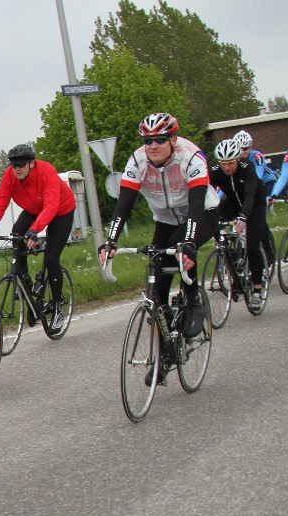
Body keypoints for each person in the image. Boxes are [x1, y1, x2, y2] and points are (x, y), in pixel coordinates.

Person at [100, 113, 216, 377]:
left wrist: (189, 243)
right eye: (147, 140)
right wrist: (111, 240)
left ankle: (193, 297)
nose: (152, 146)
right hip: (165, 219)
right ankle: (165, 354)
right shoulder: (137, 161)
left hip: (202, 213)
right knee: (157, 287)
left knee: (179, 245)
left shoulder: (191, 157)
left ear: (173, 139)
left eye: (160, 140)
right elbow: (124, 204)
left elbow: (196, 204)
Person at [0, 143, 77, 331]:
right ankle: (26, 283)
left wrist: (35, 229)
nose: (17, 169)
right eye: (14, 165)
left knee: (51, 257)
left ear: (31, 163)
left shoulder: (46, 172)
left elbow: (51, 205)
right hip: (33, 208)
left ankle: (57, 306)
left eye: (21, 164)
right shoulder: (10, 176)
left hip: (60, 210)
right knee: (16, 235)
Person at [210, 138, 268, 310]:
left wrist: (243, 217)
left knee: (252, 247)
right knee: (212, 219)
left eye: (230, 163)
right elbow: (206, 192)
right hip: (233, 203)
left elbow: (250, 195)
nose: (226, 167)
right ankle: (229, 256)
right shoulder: (215, 171)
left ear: (237, 159)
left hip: (254, 204)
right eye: (223, 163)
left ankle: (257, 288)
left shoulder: (247, 167)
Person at [233, 130, 277, 259]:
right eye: (239, 149)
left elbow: (256, 178)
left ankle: (268, 249)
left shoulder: (257, 156)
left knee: (258, 216)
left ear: (250, 147)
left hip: (265, 184)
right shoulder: (233, 159)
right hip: (247, 186)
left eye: (246, 148)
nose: (243, 152)